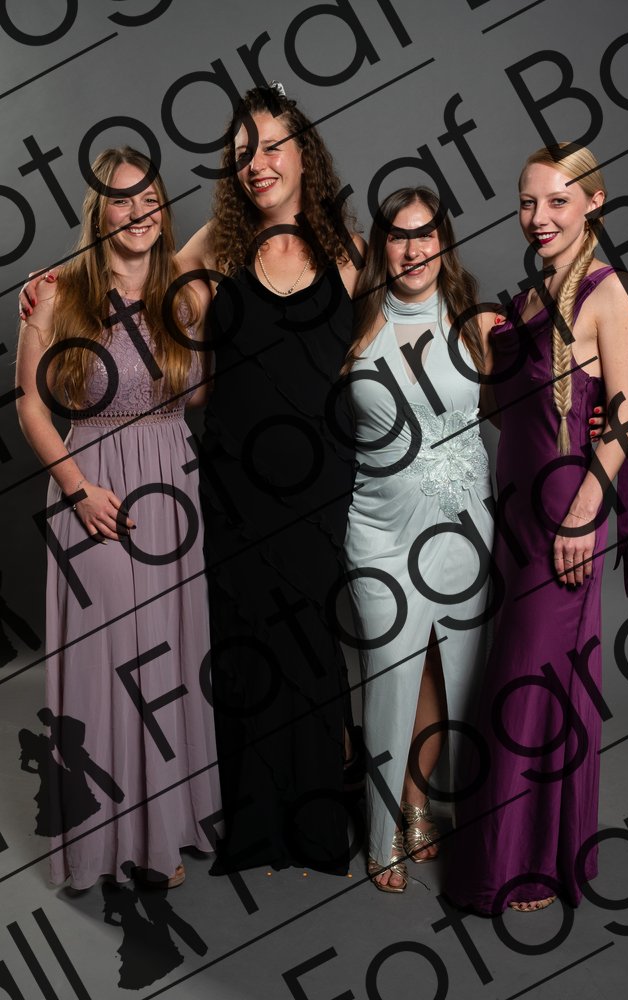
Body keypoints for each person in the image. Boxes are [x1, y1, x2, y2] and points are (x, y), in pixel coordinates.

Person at [445, 143, 628, 914]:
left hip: (567, 511)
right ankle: (543, 847)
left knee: (528, 680)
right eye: (529, 201)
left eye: (558, 200)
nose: (539, 216)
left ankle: (522, 865)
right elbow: (512, 411)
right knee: (537, 676)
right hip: (516, 509)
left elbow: (624, 419)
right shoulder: (535, 296)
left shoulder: (611, 292)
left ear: (595, 202)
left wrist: (583, 515)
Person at [16, 147, 220, 890]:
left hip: (173, 487)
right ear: (97, 214)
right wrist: (77, 489)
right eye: (122, 201)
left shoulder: (185, 295)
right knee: (107, 663)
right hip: (94, 487)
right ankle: (104, 842)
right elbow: (30, 407)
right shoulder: (58, 293)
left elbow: (198, 395)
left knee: (167, 656)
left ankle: (166, 828)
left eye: (150, 199)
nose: (139, 213)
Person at [176, 85, 365, 875]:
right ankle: (251, 820)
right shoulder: (219, 253)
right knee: (244, 637)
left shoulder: (349, 254)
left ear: (304, 154)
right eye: (242, 153)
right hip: (234, 487)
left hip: (319, 485)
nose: (257, 163)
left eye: (273, 145)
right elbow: (145, 277)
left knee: (310, 636)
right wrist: (51, 291)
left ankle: (316, 819)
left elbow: (412, 331)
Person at [342, 186, 500, 891]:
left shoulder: (477, 322)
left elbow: (531, 405)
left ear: (444, 243)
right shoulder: (351, 322)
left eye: (427, 234)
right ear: (383, 245)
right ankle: (380, 833)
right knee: (390, 670)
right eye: (400, 236)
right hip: (377, 530)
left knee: (448, 671)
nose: (414, 249)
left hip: (462, 530)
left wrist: (590, 420)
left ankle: (418, 802)